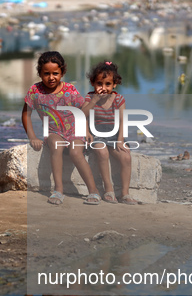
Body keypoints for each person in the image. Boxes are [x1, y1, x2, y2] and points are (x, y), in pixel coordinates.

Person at [21, 51, 101, 205]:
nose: (51, 77)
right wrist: (32, 137)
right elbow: (26, 115)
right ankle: (58, 190)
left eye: (55, 73)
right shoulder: (35, 91)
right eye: (46, 73)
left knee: (75, 152)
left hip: (74, 130)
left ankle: (93, 190)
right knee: (56, 146)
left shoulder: (69, 90)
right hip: (54, 132)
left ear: (62, 72)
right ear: (39, 73)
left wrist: (86, 130)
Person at [81, 61, 138, 205]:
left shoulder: (118, 99)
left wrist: (120, 140)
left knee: (126, 157)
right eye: (99, 84)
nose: (103, 88)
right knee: (102, 152)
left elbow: (122, 121)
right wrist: (93, 102)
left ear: (114, 85)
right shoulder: (89, 98)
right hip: (96, 134)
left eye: (108, 84)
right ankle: (108, 189)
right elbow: (82, 116)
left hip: (114, 134)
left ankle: (125, 193)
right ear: (93, 83)